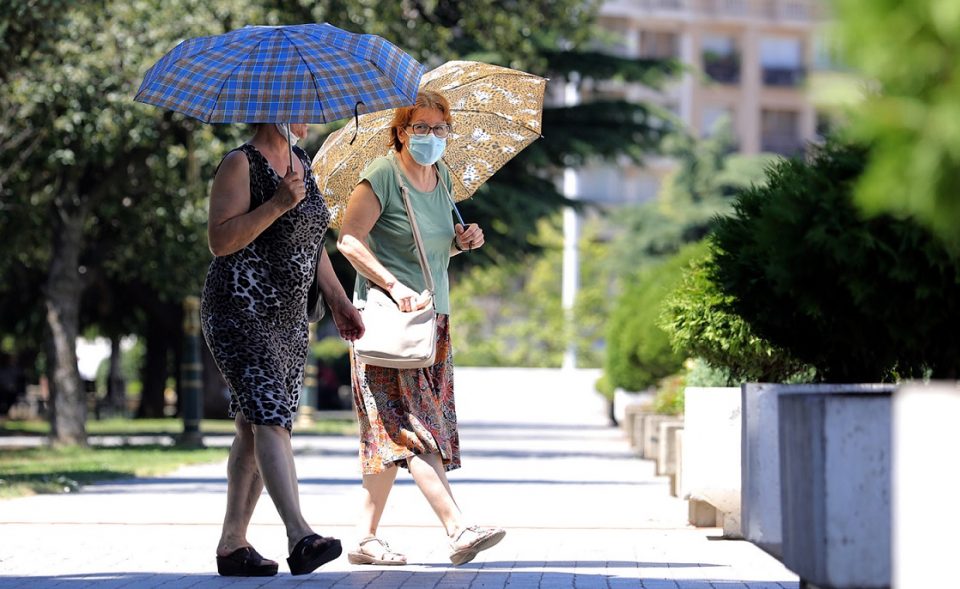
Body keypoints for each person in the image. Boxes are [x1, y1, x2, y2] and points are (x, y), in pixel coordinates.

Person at [338, 90, 505, 567]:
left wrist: (463, 241)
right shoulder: (382, 178)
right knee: (415, 428)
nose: (432, 137)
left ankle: (365, 538)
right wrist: (393, 286)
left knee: (388, 432)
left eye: (439, 128)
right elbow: (349, 240)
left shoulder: (443, 177)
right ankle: (458, 527)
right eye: (421, 128)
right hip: (392, 323)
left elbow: (430, 252)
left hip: (434, 321)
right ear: (401, 131)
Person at [201, 122, 364, 577]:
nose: (309, 117)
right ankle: (300, 536)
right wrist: (276, 204)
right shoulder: (241, 163)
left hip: (289, 321)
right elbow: (221, 240)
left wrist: (338, 300)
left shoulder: (301, 164)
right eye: (300, 106)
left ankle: (233, 546)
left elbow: (312, 243)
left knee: (253, 426)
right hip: (240, 309)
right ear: (273, 106)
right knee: (269, 416)